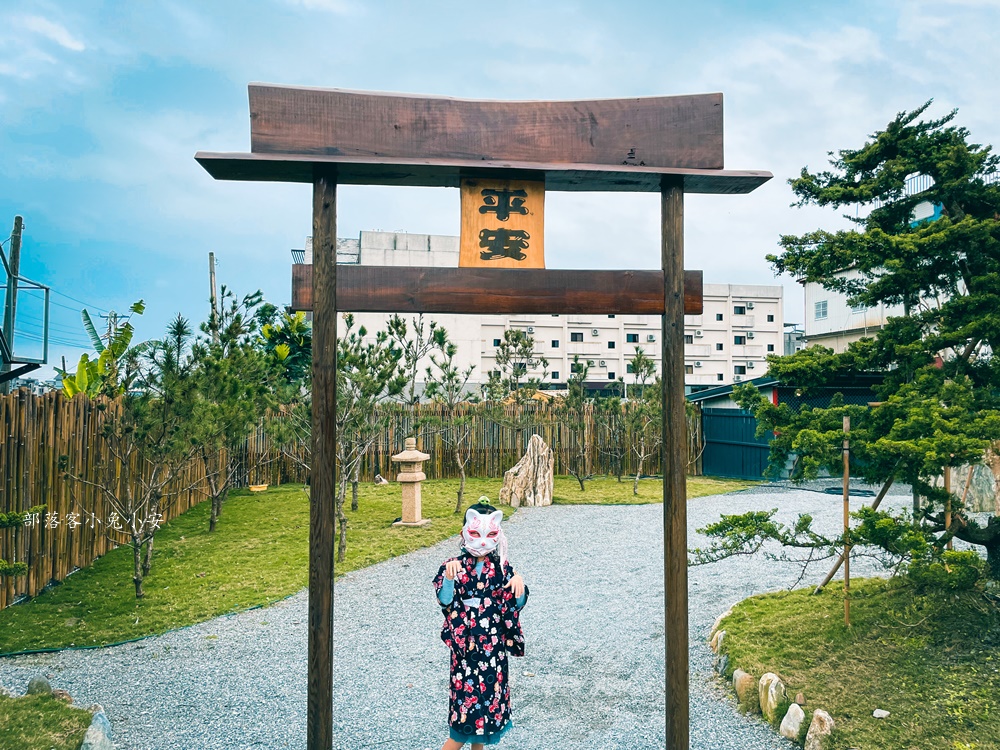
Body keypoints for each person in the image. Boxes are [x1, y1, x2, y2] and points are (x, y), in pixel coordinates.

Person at [433, 498, 529, 749]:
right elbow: (445, 601)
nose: (483, 541)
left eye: (490, 534)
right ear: (464, 532)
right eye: (475, 533)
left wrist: (519, 588)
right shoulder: (453, 565)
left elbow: (514, 605)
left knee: (485, 719)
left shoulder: (502, 569)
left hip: (493, 652)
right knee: (463, 722)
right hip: (465, 652)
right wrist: (450, 577)